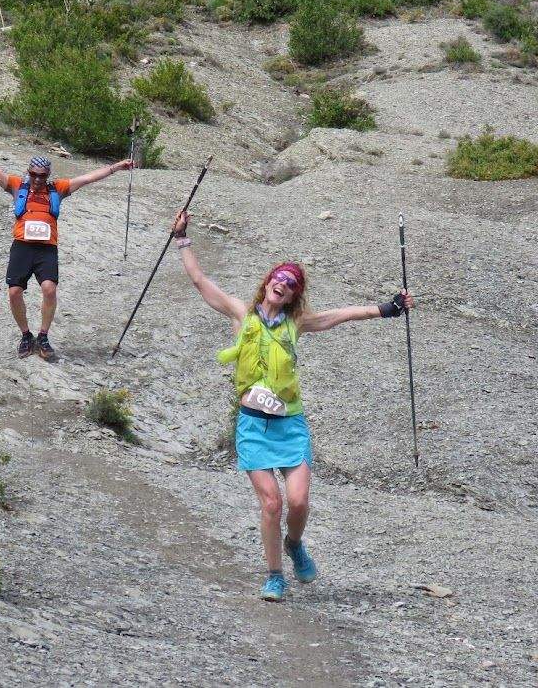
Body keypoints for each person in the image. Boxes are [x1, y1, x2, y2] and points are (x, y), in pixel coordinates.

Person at [170, 210, 414, 602]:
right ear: (267, 283)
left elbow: (340, 316)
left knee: (298, 502)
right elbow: (201, 282)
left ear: (294, 295)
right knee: (272, 502)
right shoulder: (241, 314)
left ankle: (295, 543)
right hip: (252, 426)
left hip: (290, 425)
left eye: (290, 284)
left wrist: (389, 308)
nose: (281, 286)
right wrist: (183, 239)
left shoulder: (295, 324)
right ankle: (274, 576)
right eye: (278, 279)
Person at [0, 135, 132, 361]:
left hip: (46, 249)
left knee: (49, 290)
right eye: (33, 174)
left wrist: (117, 167)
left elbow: (88, 178)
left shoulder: (58, 189)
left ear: (48, 176)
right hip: (22, 247)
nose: (36, 179)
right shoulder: (17, 186)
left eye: (41, 176)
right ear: (28, 172)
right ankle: (26, 336)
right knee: (14, 292)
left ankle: (43, 337)